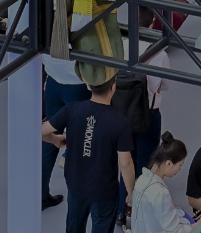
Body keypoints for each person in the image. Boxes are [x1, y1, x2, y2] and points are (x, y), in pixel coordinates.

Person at [42, 78, 138, 233]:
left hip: (75, 184)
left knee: (74, 226)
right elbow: (125, 164)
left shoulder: (72, 109)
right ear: (113, 87)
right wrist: (131, 192)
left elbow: (41, 132)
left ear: (88, 85)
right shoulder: (120, 122)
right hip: (104, 190)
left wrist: (54, 139)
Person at [131, 133, 193, 233]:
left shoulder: (141, 180)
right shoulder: (160, 192)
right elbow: (175, 231)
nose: (179, 169)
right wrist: (196, 225)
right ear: (169, 163)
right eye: (180, 165)